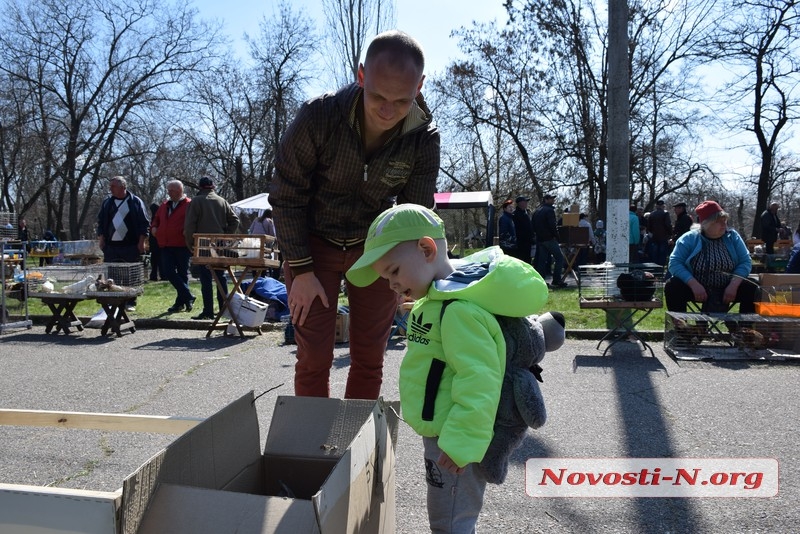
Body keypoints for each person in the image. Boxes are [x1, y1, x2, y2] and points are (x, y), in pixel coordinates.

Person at [345, 204, 548, 533]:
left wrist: (461, 443)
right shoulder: (439, 301)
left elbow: (480, 380)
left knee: (450, 522)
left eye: (394, 271)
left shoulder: (457, 312)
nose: (391, 285)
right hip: (445, 432)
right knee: (448, 517)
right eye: (386, 278)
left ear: (426, 249)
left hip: (455, 439)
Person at [269, 30, 439, 400]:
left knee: (369, 357)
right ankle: (309, 450)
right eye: (378, 96)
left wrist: (408, 273)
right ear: (361, 76)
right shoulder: (318, 116)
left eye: (402, 100)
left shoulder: (424, 137)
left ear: (420, 86)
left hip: (375, 250)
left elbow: (416, 215)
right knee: (313, 357)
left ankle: (356, 449)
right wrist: (301, 269)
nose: (388, 110)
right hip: (312, 245)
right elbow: (286, 195)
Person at [665, 200, 756, 314]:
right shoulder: (689, 238)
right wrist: (693, 284)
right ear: (706, 224)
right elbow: (674, 263)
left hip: (727, 287)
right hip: (696, 288)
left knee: (751, 286)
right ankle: (681, 329)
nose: (724, 225)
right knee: (672, 286)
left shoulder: (733, 237)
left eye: (725, 221)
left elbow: (745, 261)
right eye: (719, 222)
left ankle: (745, 329)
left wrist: (733, 285)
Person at [184, 176, 240, 320]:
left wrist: (190, 243)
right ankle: (223, 308)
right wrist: (225, 235)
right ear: (213, 186)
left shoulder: (196, 201)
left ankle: (208, 311)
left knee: (206, 278)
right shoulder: (222, 201)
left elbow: (190, 225)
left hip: (203, 243)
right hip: (220, 244)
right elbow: (235, 220)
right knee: (220, 276)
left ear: (200, 187)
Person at [96, 176, 150, 311]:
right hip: (111, 245)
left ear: (123, 187)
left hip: (130, 244)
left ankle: (130, 301)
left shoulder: (135, 202)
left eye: (113, 186)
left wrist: (141, 242)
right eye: (110, 186)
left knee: (130, 274)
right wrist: (101, 239)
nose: (110, 189)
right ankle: (114, 299)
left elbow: (144, 223)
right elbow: (101, 222)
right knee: (113, 274)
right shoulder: (107, 203)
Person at [151, 180, 194, 314]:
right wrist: (153, 228)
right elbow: (156, 219)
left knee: (182, 274)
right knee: (168, 271)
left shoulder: (189, 204)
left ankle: (180, 303)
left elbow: (192, 222)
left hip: (182, 244)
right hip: (166, 244)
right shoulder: (164, 205)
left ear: (180, 190)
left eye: (172, 190)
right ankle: (188, 296)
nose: (169, 193)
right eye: (168, 190)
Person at [532, 193, 566, 287]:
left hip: (540, 239)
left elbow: (533, 226)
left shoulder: (537, 211)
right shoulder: (549, 210)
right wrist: (557, 237)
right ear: (546, 200)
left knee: (541, 261)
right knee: (559, 258)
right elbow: (552, 225)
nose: (553, 200)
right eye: (551, 199)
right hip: (549, 239)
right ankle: (557, 280)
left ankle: (540, 281)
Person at [645, 199, 672, 266]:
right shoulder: (665, 213)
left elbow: (648, 226)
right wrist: (670, 234)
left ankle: (654, 267)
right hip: (663, 237)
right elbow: (668, 225)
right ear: (663, 206)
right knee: (662, 254)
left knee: (654, 253)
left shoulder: (652, 214)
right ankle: (661, 268)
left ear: (656, 206)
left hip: (654, 237)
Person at [512, 195, 534, 264]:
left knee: (527, 259)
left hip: (527, 242)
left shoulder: (526, 213)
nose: (526, 203)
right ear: (520, 203)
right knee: (521, 260)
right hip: (520, 242)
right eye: (525, 202)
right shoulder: (515, 214)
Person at [148, 202, 163, 281]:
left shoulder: (154, 219)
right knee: (160, 261)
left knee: (155, 261)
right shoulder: (159, 218)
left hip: (155, 244)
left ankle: (154, 275)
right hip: (158, 244)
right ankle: (162, 275)